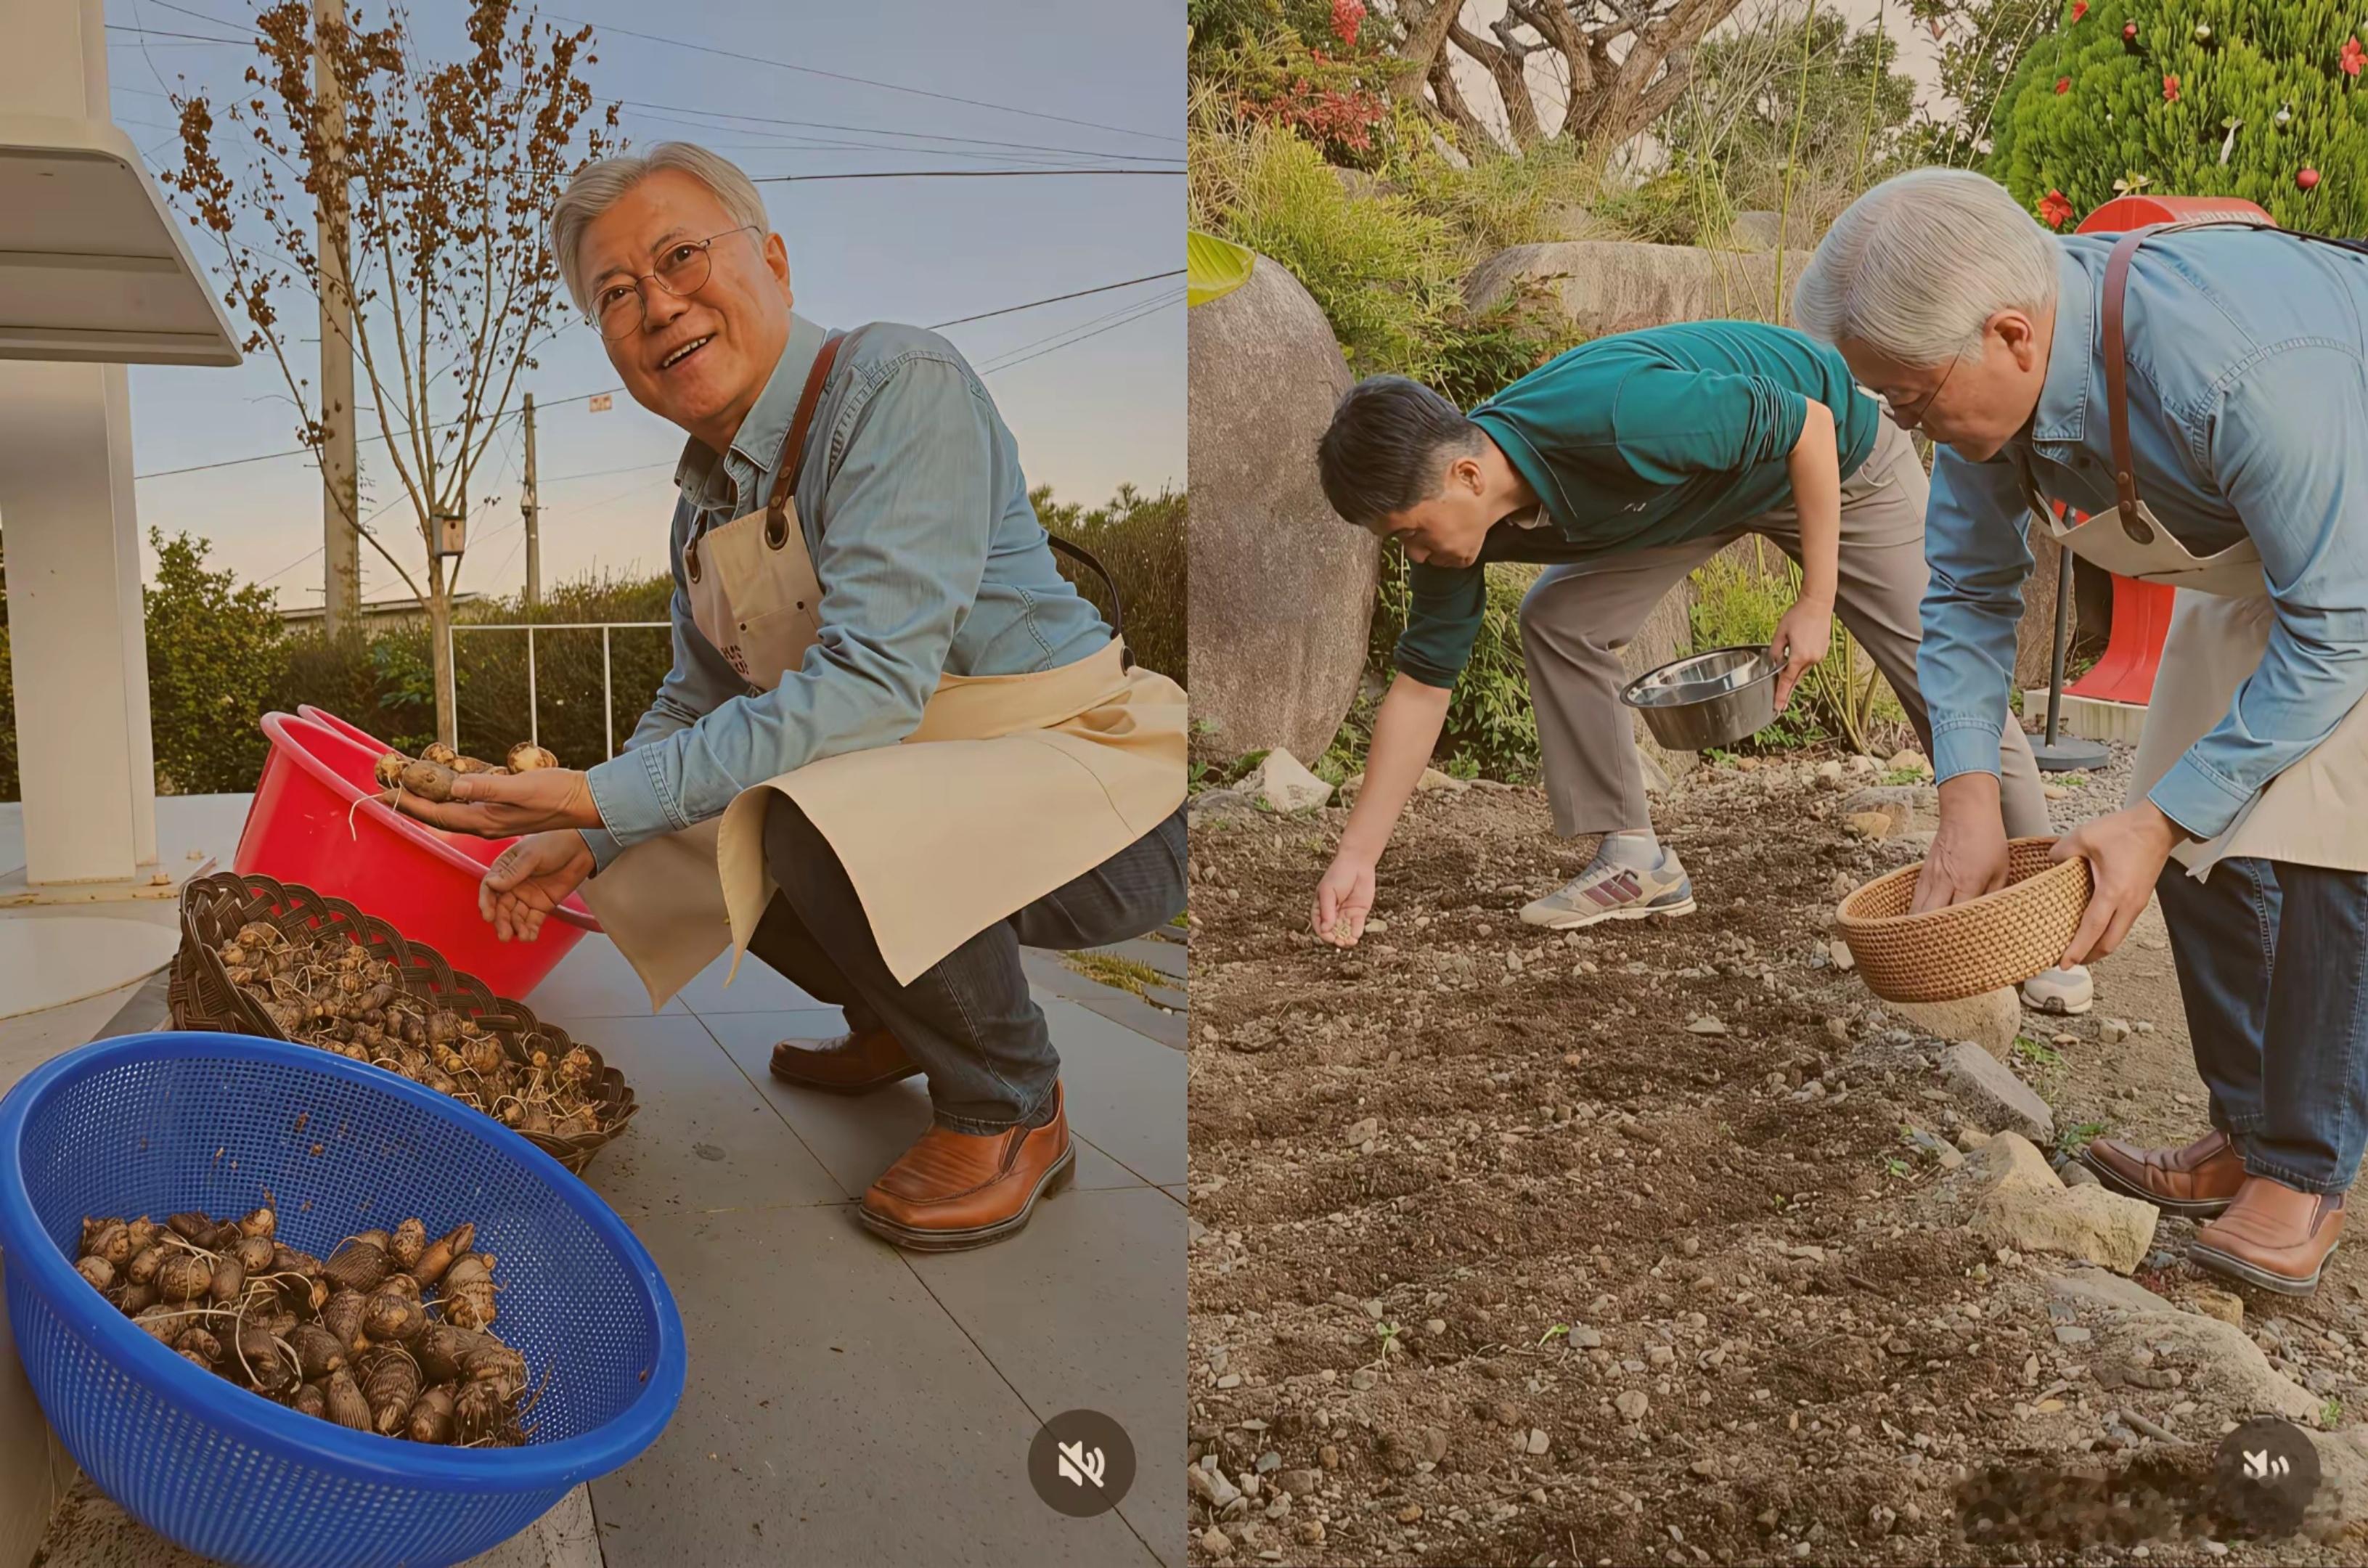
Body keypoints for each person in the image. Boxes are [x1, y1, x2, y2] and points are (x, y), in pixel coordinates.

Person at [380, 143, 1187, 1253]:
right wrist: (590, 839)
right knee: (688, 829)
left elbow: (865, 690)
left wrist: (595, 798)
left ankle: (1009, 1101)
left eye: (679, 257)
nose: (658, 305)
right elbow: (695, 700)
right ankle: (903, 1022)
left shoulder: (898, 386)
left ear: (772, 262)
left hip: (1099, 791)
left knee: (799, 809)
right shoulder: (700, 512)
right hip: (932, 785)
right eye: (615, 293)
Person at [1795, 167, 2368, 1294]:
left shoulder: (2235, 371)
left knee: (2321, 827)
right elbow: (1966, 596)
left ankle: (2303, 1174)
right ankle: (2247, 1129)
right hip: (2276, 546)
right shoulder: (1989, 394)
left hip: (2349, 568)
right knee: (2179, 805)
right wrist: (1966, 795)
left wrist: (2157, 822)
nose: (1901, 424)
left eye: (1908, 399)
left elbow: (2338, 630)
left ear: (2010, 336)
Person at [1306, 323, 2091, 1010]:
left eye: (1411, 534)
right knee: (1560, 619)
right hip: (1702, 492)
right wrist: (1356, 859)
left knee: (1943, 674)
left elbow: (1807, 427)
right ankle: (1633, 859)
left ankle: (2050, 924)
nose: (1415, 556)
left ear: (1467, 476)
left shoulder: (1614, 420)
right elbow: (1422, 690)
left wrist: (1815, 600)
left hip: (1836, 458)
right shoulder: (1454, 533)